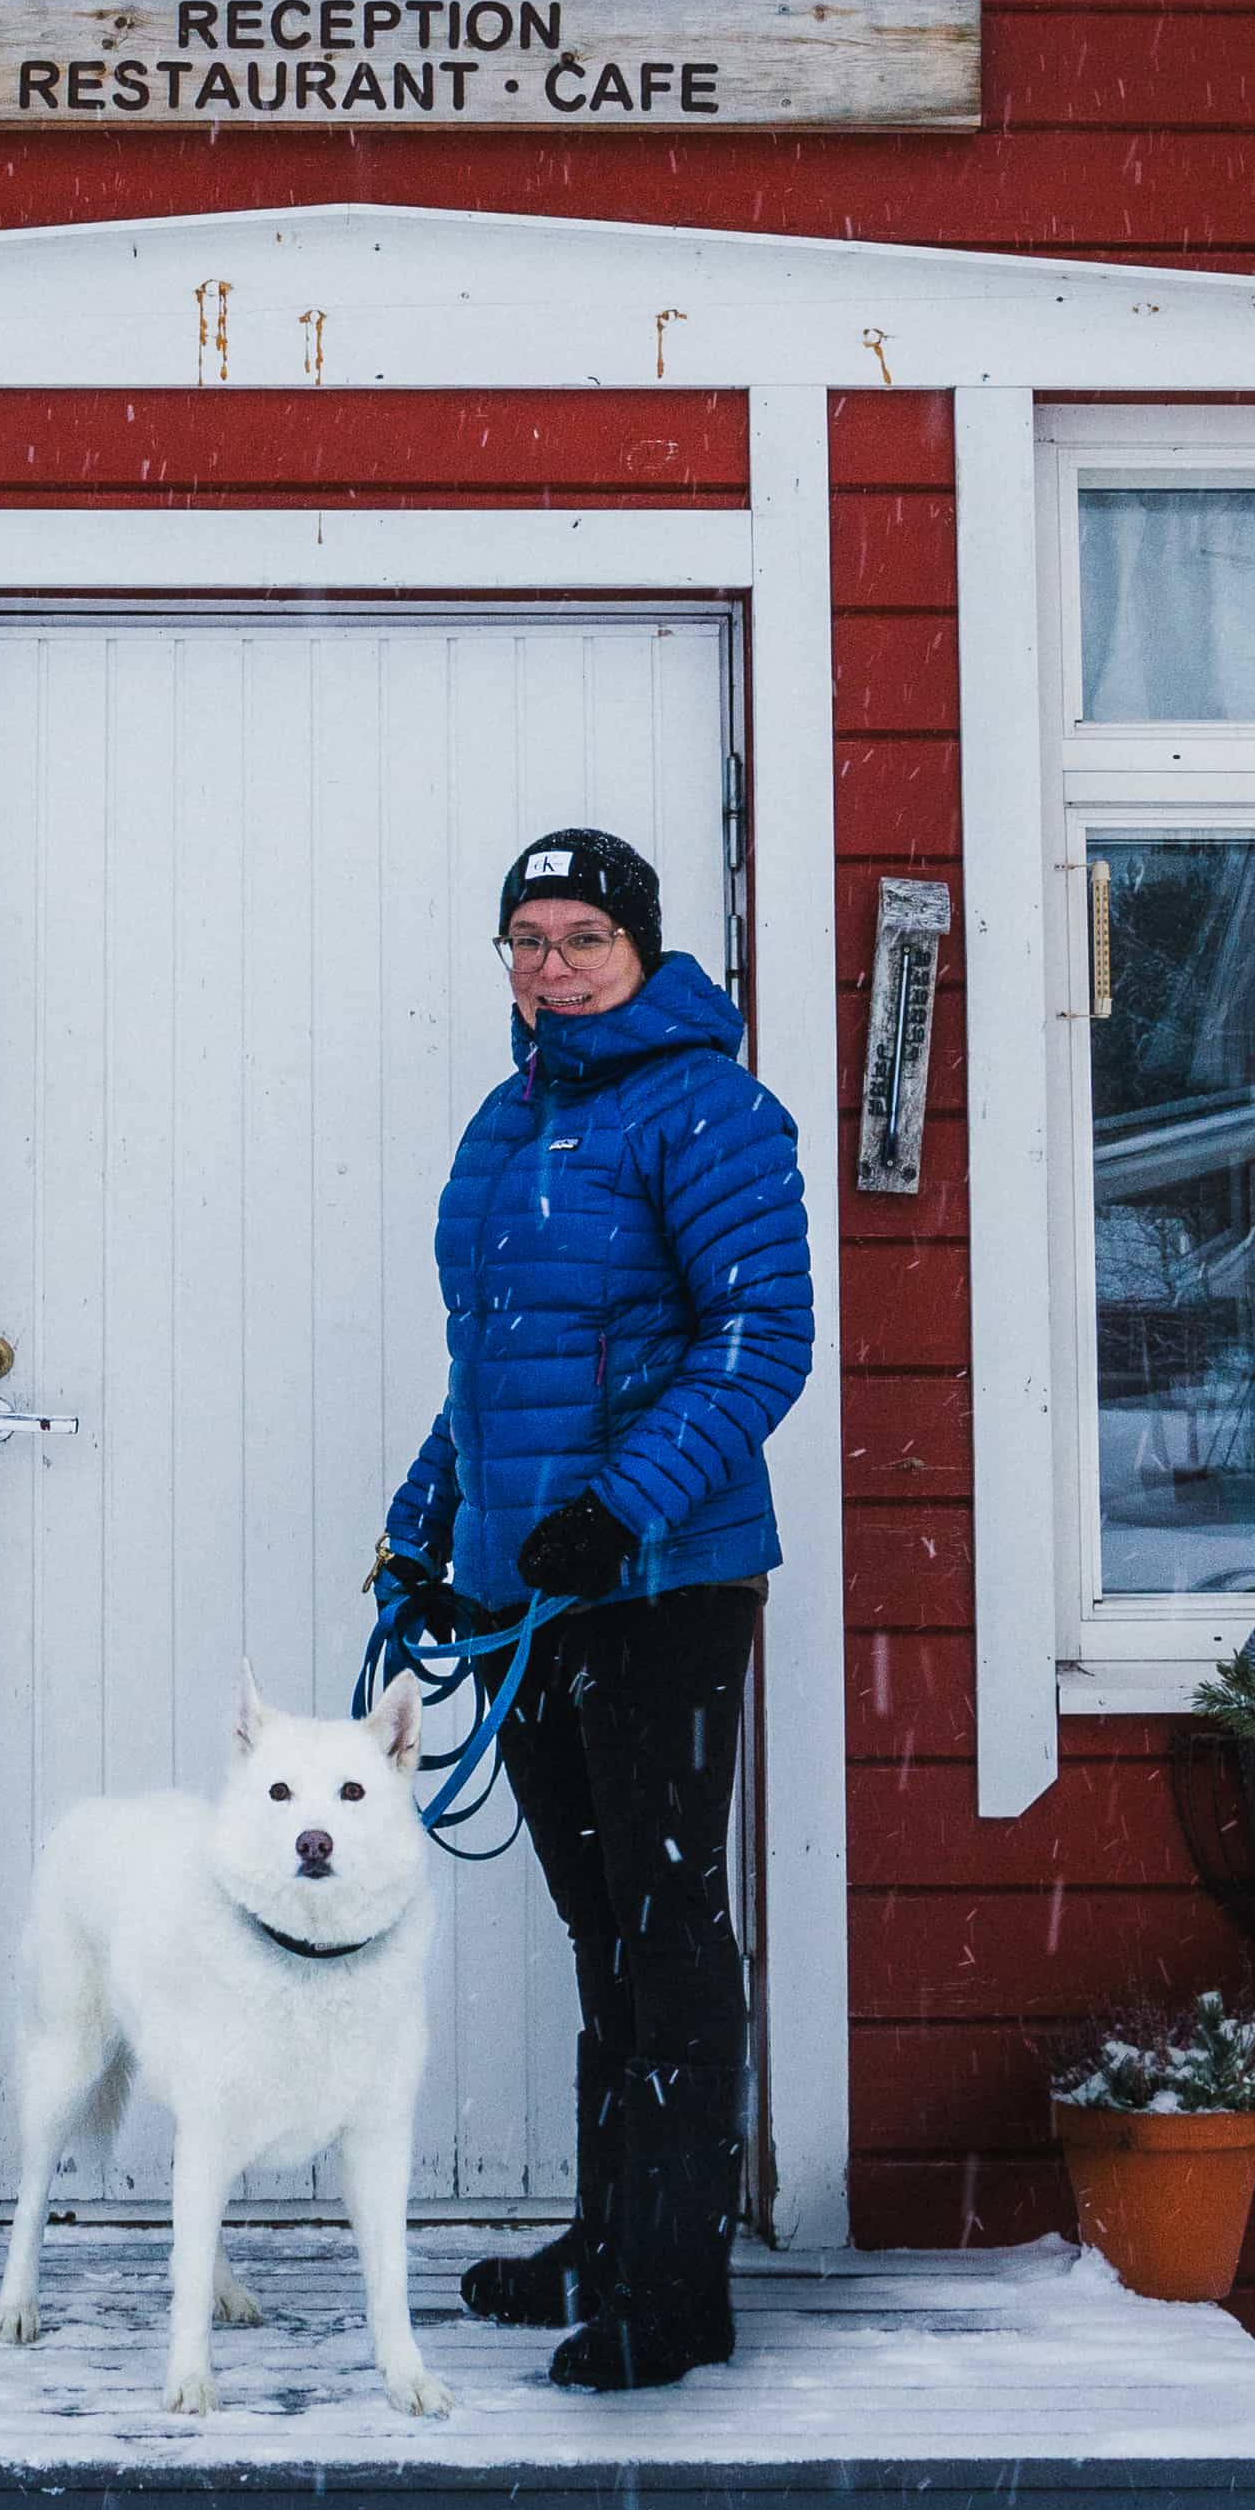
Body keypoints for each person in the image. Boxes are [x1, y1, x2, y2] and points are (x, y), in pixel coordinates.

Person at [377, 824, 814, 2388]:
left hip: (665, 1587)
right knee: (597, 1926)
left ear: (640, 948)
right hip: (535, 1587)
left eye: (580, 939)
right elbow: (489, 1368)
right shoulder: (511, 1121)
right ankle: (610, 2234)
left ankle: (679, 2289)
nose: (549, 969)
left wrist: (616, 1510)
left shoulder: (709, 1111)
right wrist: (426, 1530)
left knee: (666, 1926)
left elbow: (758, 1346)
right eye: (527, 941)